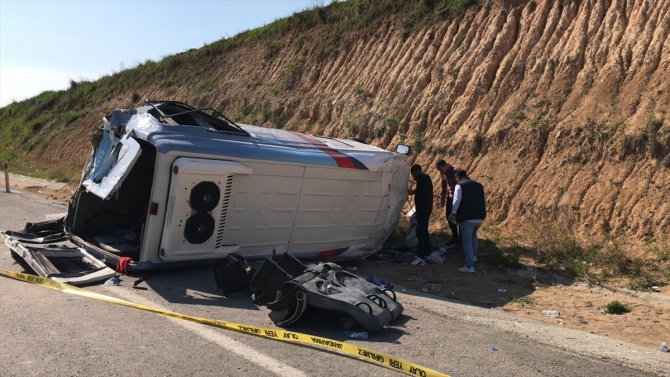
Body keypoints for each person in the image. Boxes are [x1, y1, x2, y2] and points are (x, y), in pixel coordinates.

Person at [448, 169, 486, 273]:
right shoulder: (479, 185)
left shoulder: (460, 185)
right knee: (473, 236)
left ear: (457, 177)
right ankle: (474, 257)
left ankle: (469, 266)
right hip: (479, 217)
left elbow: (456, 200)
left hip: (467, 218)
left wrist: (453, 213)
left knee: (467, 241)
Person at [408, 164, 433, 266]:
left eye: (413, 174)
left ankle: (422, 253)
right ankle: (427, 251)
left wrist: (414, 192)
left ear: (415, 172)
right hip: (425, 209)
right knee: (423, 230)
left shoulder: (422, 177)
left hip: (423, 209)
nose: (413, 177)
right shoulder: (425, 178)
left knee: (421, 231)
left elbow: (422, 192)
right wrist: (414, 192)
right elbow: (423, 191)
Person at [435, 159, 459, 246]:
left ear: (445, 165)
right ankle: (455, 236)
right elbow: (444, 184)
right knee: (449, 215)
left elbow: (461, 184)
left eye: (441, 169)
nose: (441, 172)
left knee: (458, 216)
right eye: (439, 170)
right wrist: (443, 197)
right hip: (451, 194)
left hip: (459, 195)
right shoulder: (443, 172)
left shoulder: (455, 170)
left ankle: (461, 238)